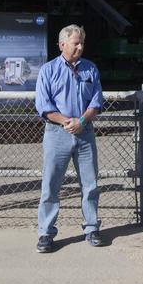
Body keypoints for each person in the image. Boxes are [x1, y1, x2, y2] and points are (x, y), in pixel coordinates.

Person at [34, 24, 104, 253]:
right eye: (76, 43)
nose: (80, 47)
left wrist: (81, 121)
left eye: (82, 43)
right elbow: (43, 106)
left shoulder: (91, 69)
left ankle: (92, 228)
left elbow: (96, 102)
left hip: (85, 133)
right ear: (62, 44)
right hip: (57, 133)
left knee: (90, 184)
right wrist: (66, 121)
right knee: (51, 185)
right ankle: (46, 233)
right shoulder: (48, 70)